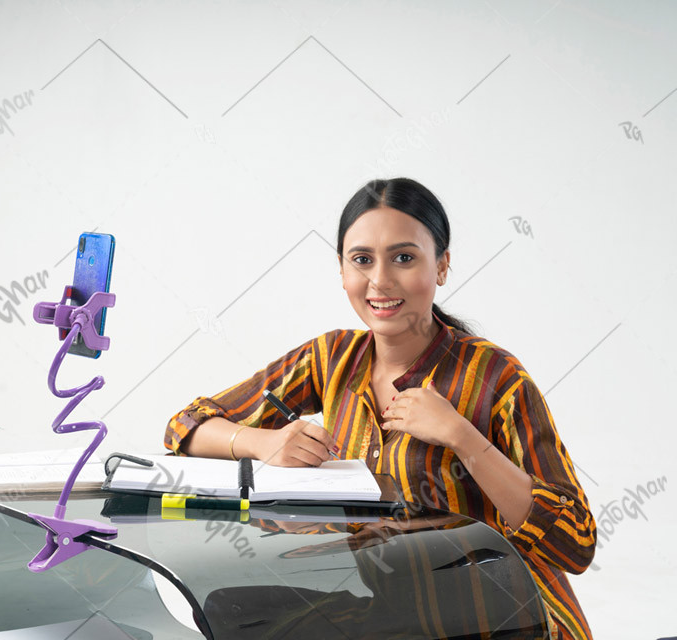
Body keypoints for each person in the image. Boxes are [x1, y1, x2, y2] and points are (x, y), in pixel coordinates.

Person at [163, 177, 596, 639]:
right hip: (399, 616)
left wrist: (463, 438)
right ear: (342, 269)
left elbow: (575, 544)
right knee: (231, 612)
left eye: (404, 258)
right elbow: (185, 426)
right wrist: (264, 441)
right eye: (362, 260)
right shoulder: (331, 359)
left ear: (443, 266)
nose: (380, 281)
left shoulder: (495, 376)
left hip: (507, 622)